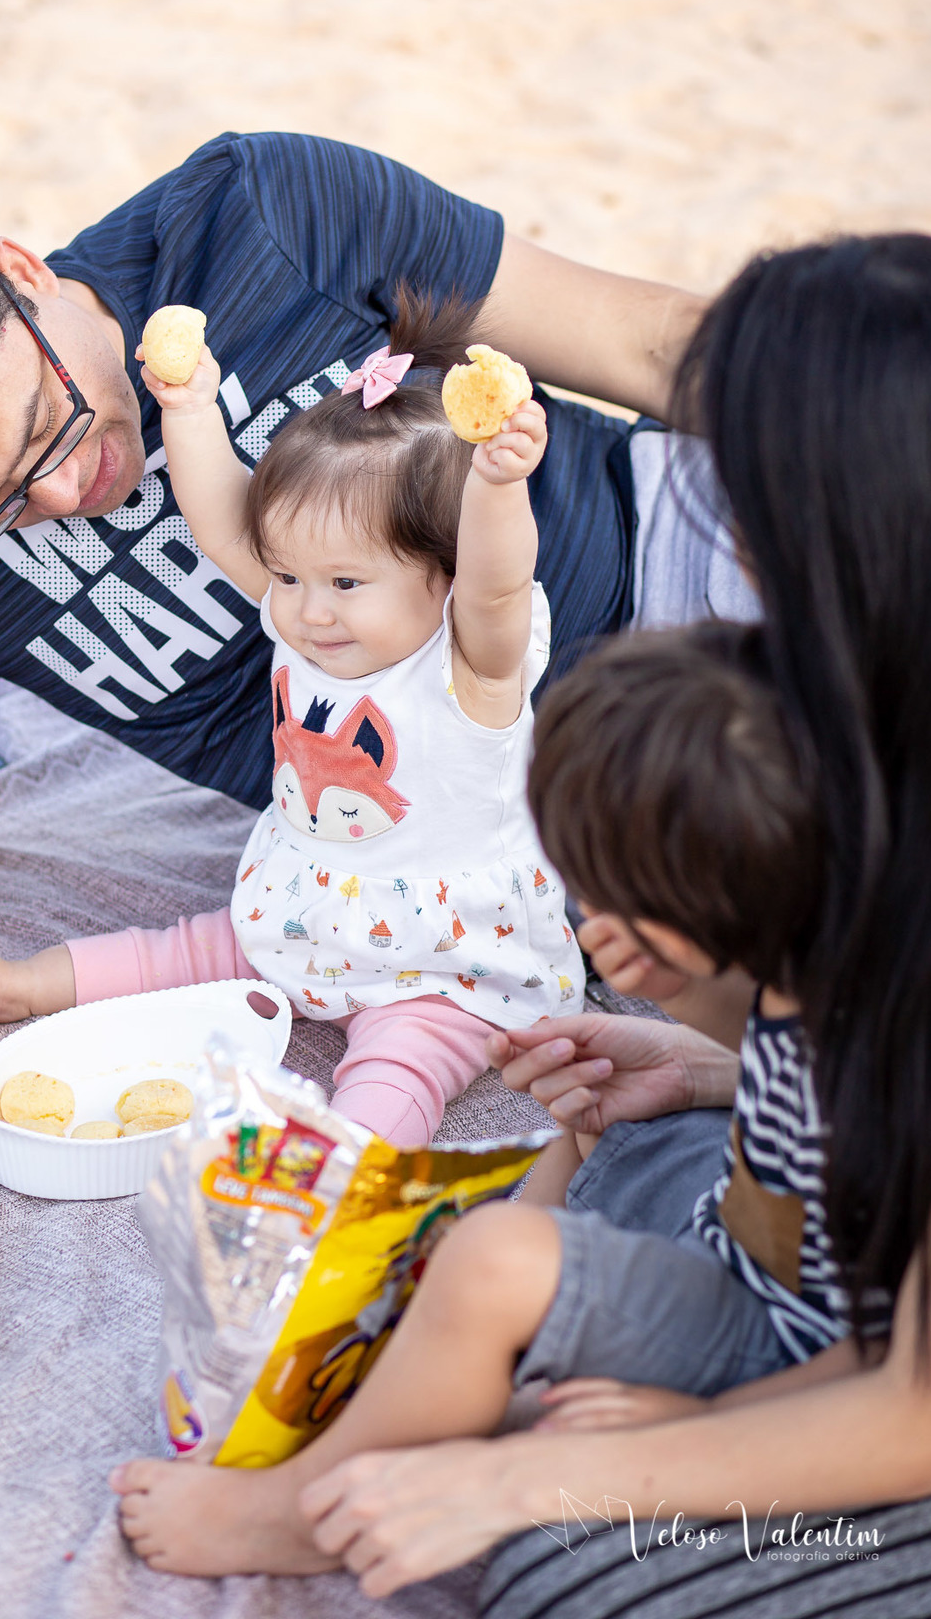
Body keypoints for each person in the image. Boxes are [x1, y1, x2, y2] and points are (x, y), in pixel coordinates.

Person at [250, 233, 931, 1613]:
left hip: (903, 1377)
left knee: (554, 1558)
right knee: (566, 1232)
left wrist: (534, 1485)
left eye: (735, 464)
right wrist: (713, 1066)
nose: (711, 502)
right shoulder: (854, 708)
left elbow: (921, 1397)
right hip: (846, 1280)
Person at [0, 132, 748, 1007]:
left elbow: (650, 344)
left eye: (52, 425)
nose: (65, 493)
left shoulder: (262, 211)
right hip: (505, 817)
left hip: (668, 551)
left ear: (24, 273)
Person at [108, 619, 882, 1574]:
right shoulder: (826, 965)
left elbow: (894, 1371)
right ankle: (464, 1352)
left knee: (498, 1263)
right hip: (763, 1250)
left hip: (807, 1364)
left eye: (604, 905)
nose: (591, 930)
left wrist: (707, 1422)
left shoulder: (901, 1054)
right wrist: (693, 1057)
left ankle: (299, 1518)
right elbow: (795, 1076)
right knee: (594, 1112)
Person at [0, 290, 584, 1146]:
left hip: (439, 960)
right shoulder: (304, 617)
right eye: (290, 577)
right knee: (188, 950)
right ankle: (25, 984)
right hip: (299, 913)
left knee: (403, 1060)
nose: (309, 612)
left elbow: (498, 584)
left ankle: (343, 1160)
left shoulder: (473, 668)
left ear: (445, 571)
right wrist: (192, 407)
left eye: (346, 584)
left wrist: (498, 486)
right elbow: (227, 526)